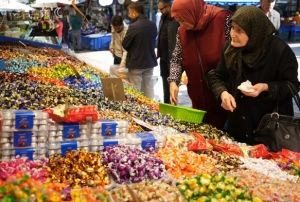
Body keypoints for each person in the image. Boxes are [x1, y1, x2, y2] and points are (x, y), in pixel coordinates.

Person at [206, 6, 299, 145]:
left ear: (255, 31)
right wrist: (223, 93)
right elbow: (216, 76)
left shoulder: (279, 51)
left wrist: (266, 87)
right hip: (238, 127)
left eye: (239, 30)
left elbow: (292, 85)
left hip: (269, 132)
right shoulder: (230, 49)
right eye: (232, 27)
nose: (232, 34)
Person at [168, 0, 231, 129]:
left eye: (183, 20)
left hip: (225, 95)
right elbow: (177, 58)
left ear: (192, 11)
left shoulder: (222, 18)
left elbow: (236, 53)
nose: (181, 25)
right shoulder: (182, 31)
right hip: (198, 96)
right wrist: (174, 81)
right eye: (178, 21)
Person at [122, 2, 157, 99]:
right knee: (148, 87)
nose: (129, 14)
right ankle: (150, 109)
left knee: (135, 89)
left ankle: (138, 111)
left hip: (136, 63)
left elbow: (125, 44)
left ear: (134, 12)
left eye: (129, 11)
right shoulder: (152, 25)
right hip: (150, 61)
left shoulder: (133, 27)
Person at [157, 0, 179, 103]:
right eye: (159, 9)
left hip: (173, 58)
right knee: (165, 85)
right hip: (163, 58)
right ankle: (167, 106)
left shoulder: (177, 19)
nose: (160, 11)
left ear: (169, 6)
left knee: (173, 86)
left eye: (162, 9)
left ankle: (172, 109)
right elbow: (160, 35)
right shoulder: (162, 18)